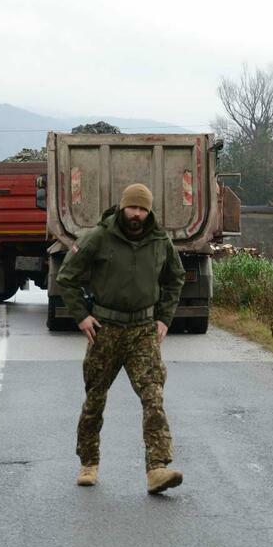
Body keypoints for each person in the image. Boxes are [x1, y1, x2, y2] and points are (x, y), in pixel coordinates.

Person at [57, 183, 186, 494]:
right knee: (95, 399)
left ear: (149, 211)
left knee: (153, 398)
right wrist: (81, 315)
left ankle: (157, 468)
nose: (137, 214)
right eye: (132, 208)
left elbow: (175, 277)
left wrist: (164, 318)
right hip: (106, 330)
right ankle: (88, 463)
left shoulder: (159, 240)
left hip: (143, 331)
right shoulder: (99, 237)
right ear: (123, 207)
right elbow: (66, 276)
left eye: (142, 209)